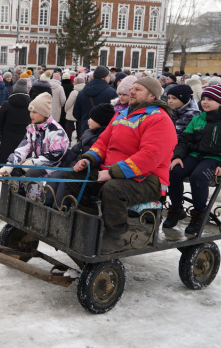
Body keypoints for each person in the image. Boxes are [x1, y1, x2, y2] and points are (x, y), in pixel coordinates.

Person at [64, 77, 177, 254]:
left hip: (148, 179)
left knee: (113, 189)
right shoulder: (122, 114)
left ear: (151, 96)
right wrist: (89, 159)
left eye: (138, 90)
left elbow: (150, 156)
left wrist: (113, 173)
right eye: (132, 88)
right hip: (113, 171)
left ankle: (115, 236)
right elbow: (103, 141)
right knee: (74, 176)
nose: (131, 92)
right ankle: (89, 224)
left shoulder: (159, 119)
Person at [164, 85, 221, 234]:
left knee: (198, 177)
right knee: (174, 171)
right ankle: (176, 208)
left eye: (210, 99)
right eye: (203, 99)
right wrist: (177, 156)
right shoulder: (198, 119)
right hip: (195, 155)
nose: (205, 102)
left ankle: (199, 214)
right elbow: (183, 140)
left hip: (216, 158)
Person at [0, 93, 69, 200]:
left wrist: (32, 162)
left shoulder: (56, 130)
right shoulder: (32, 129)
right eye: (31, 111)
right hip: (37, 164)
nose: (31, 114)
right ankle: (15, 200)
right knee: (15, 171)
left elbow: (56, 155)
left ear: (44, 113)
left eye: (35, 112)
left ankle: (34, 203)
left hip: (55, 167)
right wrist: (10, 164)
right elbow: (22, 149)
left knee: (32, 173)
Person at [0, 78, 31, 165]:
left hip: (7, 137)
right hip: (25, 138)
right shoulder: (31, 105)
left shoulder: (6, 104)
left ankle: (6, 176)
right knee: (23, 161)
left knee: (6, 160)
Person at [73, 65, 116, 135]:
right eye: (108, 76)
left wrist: (86, 121)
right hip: (105, 132)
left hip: (86, 131)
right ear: (104, 78)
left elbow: (76, 113)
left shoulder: (82, 92)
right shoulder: (112, 92)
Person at [63, 74, 85, 142]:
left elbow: (68, 103)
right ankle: (79, 141)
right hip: (81, 113)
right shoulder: (85, 91)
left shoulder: (74, 92)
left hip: (71, 112)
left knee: (69, 128)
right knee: (80, 128)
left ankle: (68, 141)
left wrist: (65, 110)